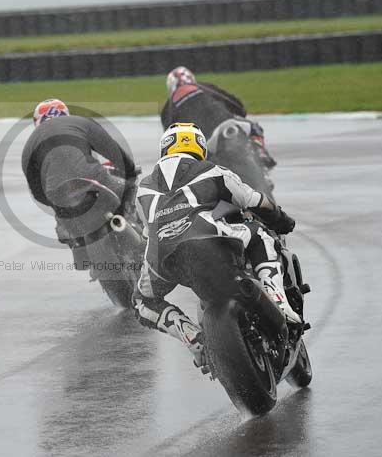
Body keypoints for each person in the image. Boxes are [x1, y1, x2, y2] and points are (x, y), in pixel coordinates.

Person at [132, 122, 298, 371]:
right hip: (210, 241)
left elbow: (147, 231)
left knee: (142, 301)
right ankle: (278, 300)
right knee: (260, 234)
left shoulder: (143, 187)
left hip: (163, 256)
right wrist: (282, 220)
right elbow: (255, 201)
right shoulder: (213, 171)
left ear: (165, 148)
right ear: (200, 146)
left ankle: (192, 336)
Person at [21, 99, 137, 213]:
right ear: (66, 114)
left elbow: (36, 189)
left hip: (56, 192)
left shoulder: (29, 144)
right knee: (128, 190)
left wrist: (53, 204)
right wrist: (130, 171)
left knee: (63, 220)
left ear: (37, 121)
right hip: (92, 175)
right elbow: (112, 150)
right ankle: (143, 226)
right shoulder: (80, 122)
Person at [160, 66, 276, 168]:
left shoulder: (168, 108)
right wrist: (240, 112)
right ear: (192, 79)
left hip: (202, 143)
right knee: (254, 128)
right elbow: (235, 103)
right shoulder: (204, 87)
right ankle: (260, 152)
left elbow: (170, 140)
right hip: (226, 123)